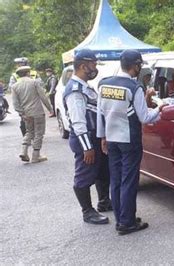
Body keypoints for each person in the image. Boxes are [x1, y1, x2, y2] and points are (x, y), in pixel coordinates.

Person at [97, 49, 164, 235]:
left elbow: (100, 114)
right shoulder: (134, 88)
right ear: (135, 66)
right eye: (139, 65)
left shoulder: (104, 85)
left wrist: (102, 136)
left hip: (111, 139)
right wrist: (160, 108)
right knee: (129, 181)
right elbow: (144, 117)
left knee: (116, 180)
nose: (139, 68)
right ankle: (127, 223)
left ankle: (121, 219)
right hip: (129, 141)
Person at [63, 49, 112, 225]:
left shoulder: (85, 86)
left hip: (95, 137)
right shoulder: (75, 91)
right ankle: (87, 211)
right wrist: (87, 147)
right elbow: (78, 122)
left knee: (102, 171)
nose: (95, 67)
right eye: (93, 64)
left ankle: (104, 201)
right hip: (86, 139)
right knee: (84, 174)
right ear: (83, 66)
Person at [11, 66, 53, 163]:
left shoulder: (14, 86)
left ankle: (23, 151)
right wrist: (50, 108)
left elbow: (15, 103)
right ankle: (36, 156)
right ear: (28, 73)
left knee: (29, 132)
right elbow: (43, 97)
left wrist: (22, 114)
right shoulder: (34, 82)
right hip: (38, 112)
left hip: (27, 114)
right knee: (39, 133)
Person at [9, 57, 41, 136]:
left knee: (30, 118)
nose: (19, 65)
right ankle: (28, 135)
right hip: (25, 100)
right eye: (19, 64)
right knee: (25, 119)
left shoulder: (33, 73)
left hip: (29, 99)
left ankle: (31, 135)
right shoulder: (15, 75)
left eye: (20, 64)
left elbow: (40, 84)